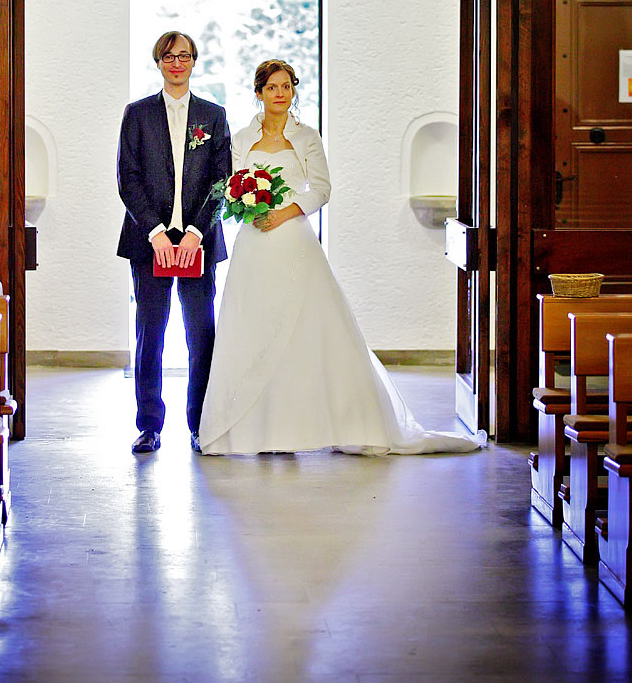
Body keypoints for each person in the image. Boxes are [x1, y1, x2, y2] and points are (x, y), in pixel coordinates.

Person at [198, 58, 485, 457]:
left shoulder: (307, 137)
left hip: (293, 239)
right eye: (272, 88)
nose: (280, 94)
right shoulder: (243, 137)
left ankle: (309, 425)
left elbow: (321, 189)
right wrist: (247, 206)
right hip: (254, 243)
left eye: (287, 86)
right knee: (254, 325)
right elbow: (232, 183)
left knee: (303, 327)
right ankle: (252, 427)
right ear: (259, 93)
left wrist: (283, 211)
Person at [117, 31, 231, 455]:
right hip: (149, 242)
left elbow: (223, 182)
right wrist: (157, 232)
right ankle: (149, 425)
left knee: (201, 333)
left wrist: (197, 233)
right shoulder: (138, 114)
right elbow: (127, 178)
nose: (177, 63)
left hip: (199, 242)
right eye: (169, 56)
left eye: (184, 56)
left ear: (194, 61)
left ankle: (200, 424)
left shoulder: (213, 116)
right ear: (159, 62)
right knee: (151, 333)